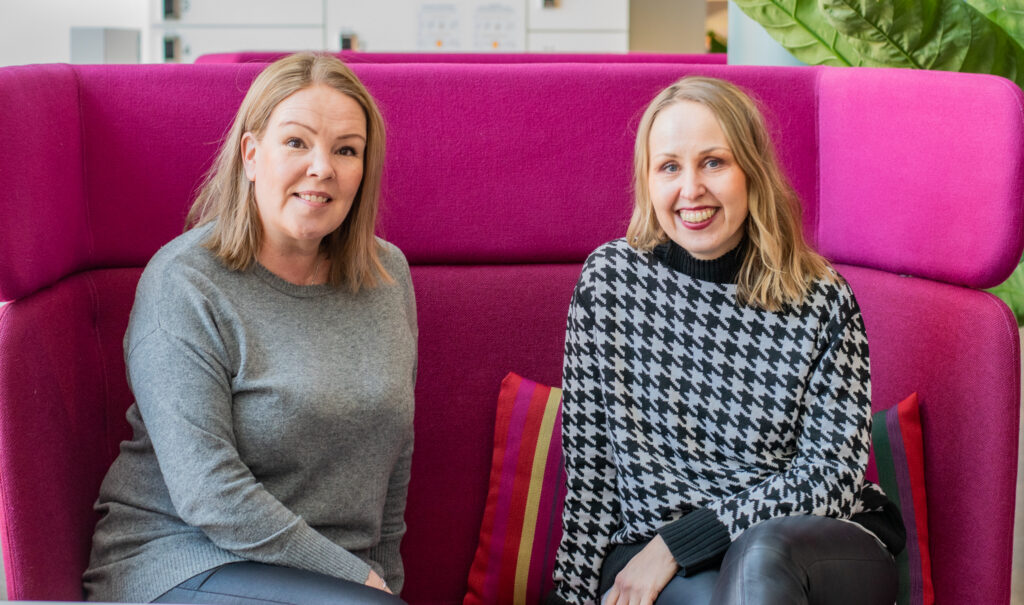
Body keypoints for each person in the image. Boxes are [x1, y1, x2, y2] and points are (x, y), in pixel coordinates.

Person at [550, 76, 904, 605]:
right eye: (669, 167)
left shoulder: (820, 298)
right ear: (648, 181)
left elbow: (830, 475)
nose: (691, 189)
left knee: (759, 559)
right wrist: (573, 598)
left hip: (814, 545)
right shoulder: (611, 282)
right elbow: (592, 472)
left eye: (713, 162)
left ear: (751, 171)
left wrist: (682, 542)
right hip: (654, 557)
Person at [83, 53, 416, 604]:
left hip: (332, 584)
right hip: (181, 559)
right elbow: (208, 492)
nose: (322, 168)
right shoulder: (186, 282)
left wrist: (384, 586)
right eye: (296, 142)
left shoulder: (387, 276)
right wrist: (357, 583)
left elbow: (393, 456)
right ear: (251, 154)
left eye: (346, 150)